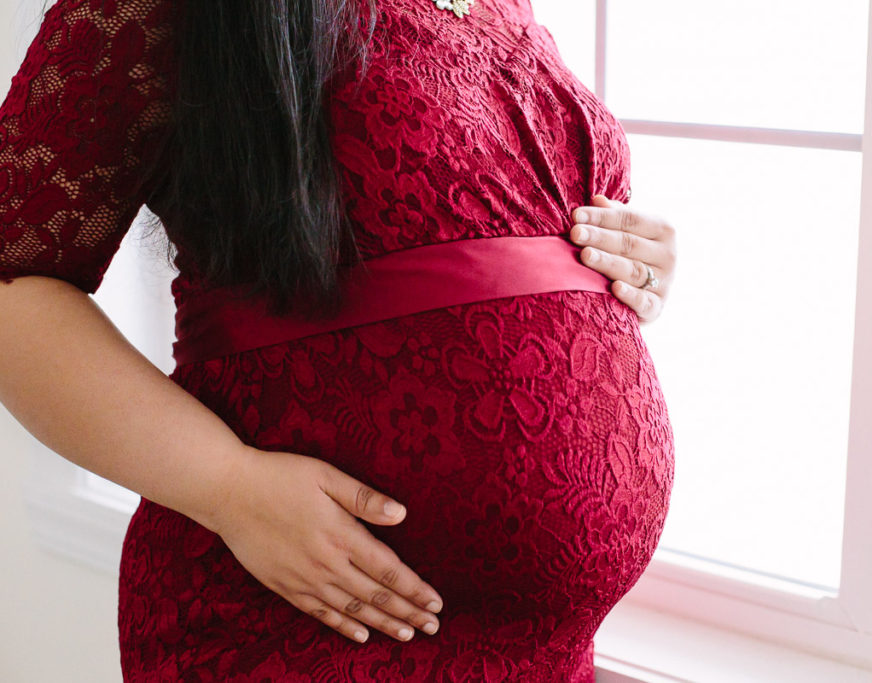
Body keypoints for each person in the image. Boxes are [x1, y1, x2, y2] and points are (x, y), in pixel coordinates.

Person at [0, 0, 678, 680]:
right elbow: (11, 286)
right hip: (304, 622)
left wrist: (617, 258)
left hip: (545, 653)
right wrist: (227, 484)